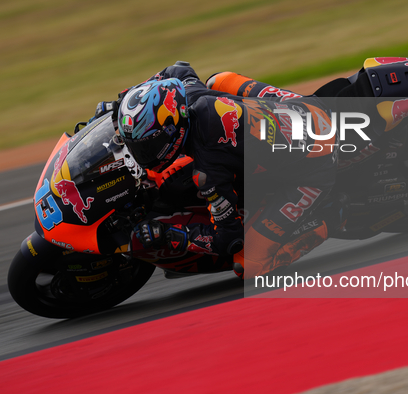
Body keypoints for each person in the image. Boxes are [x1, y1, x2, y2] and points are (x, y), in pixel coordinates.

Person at [91, 61, 340, 279]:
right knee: (217, 81)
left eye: (145, 147)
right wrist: (121, 102)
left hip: (316, 166)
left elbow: (228, 239)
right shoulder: (188, 92)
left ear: (171, 132)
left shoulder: (208, 172)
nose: (139, 155)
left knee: (249, 265)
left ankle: (335, 218)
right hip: (301, 109)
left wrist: (170, 233)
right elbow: (178, 68)